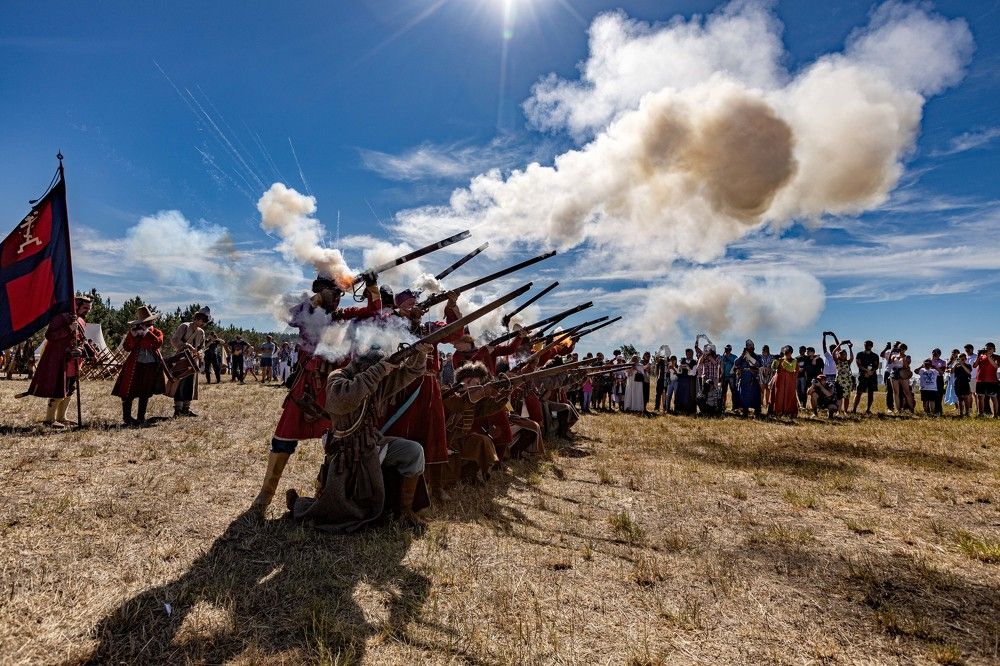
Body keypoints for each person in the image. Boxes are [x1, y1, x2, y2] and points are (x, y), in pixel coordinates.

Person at [251, 272, 382, 515]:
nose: (338, 299)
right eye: (333, 293)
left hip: (335, 388)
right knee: (283, 440)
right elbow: (291, 316)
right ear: (321, 291)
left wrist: (373, 286)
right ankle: (265, 496)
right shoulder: (307, 312)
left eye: (339, 294)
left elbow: (374, 312)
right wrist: (316, 300)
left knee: (337, 444)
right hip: (306, 388)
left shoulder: (343, 317)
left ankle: (327, 493)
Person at [287, 344, 432, 532]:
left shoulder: (376, 380)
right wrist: (379, 370)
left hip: (372, 442)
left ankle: (404, 512)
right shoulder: (338, 377)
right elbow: (342, 401)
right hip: (345, 450)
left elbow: (411, 371)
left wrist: (419, 354)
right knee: (338, 509)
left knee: (414, 452)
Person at [382, 289, 463, 503]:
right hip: (404, 383)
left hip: (429, 384)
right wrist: (402, 315)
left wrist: (451, 306)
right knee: (403, 431)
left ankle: (436, 487)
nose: (414, 308)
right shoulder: (393, 324)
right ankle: (399, 486)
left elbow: (455, 334)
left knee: (435, 432)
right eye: (408, 305)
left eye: (414, 304)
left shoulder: (429, 327)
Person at [22, 294, 92, 427]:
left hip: (74, 361)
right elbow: (50, 335)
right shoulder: (60, 317)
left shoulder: (81, 321)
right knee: (59, 389)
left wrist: (81, 349)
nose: (87, 310)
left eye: (89, 308)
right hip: (60, 361)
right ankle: (49, 419)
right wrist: (68, 328)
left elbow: (81, 340)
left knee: (70, 389)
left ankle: (61, 417)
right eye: (85, 307)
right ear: (75, 305)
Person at [111, 306, 166, 426]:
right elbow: (127, 347)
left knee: (145, 392)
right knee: (128, 391)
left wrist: (146, 334)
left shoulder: (156, 332)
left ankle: (141, 417)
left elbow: (157, 343)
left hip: (150, 366)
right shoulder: (134, 332)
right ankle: (127, 418)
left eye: (149, 322)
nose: (147, 324)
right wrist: (133, 335)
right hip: (135, 365)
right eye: (145, 322)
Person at [168, 307, 210, 417]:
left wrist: (200, 354)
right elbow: (175, 340)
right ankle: (178, 410)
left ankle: (186, 409)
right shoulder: (185, 326)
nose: (202, 322)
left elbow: (202, 347)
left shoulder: (201, 332)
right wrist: (187, 346)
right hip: (182, 359)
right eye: (201, 319)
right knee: (180, 384)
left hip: (194, 361)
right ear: (197, 317)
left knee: (190, 385)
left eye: (204, 320)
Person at [734, 340, 762, 418]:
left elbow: (758, 364)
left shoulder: (757, 356)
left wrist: (750, 358)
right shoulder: (743, 356)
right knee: (744, 396)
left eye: (751, 347)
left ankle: (757, 412)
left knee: (755, 396)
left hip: (753, 379)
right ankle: (745, 412)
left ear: (753, 348)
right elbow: (736, 363)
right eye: (748, 347)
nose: (749, 348)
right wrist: (742, 355)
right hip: (744, 379)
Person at [769, 345, 798, 419]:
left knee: (789, 395)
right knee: (778, 396)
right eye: (786, 353)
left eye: (788, 353)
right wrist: (776, 361)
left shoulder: (794, 360)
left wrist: (783, 362)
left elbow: (791, 369)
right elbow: (773, 367)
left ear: (791, 353)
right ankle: (777, 412)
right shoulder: (779, 359)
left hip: (789, 382)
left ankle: (789, 412)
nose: (787, 354)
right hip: (779, 381)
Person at [852, 340, 880, 415]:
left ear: (872, 346)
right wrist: (866, 371)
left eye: (869, 345)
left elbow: (876, 366)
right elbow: (859, 365)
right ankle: (854, 409)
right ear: (864, 345)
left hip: (872, 376)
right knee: (859, 392)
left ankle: (868, 410)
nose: (867, 346)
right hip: (862, 375)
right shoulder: (860, 354)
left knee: (871, 393)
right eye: (866, 345)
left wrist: (871, 372)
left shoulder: (875, 356)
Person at [973, 343, 999, 418]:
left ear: (994, 349)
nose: (988, 349)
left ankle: (995, 415)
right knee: (980, 397)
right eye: (986, 348)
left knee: (993, 397)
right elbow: (974, 366)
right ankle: (980, 414)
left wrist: (988, 356)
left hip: (992, 380)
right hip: (980, 379)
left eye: (990, 348)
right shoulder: (981, 356)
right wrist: (978, 356)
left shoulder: (997, 357)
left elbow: (996, 366)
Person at [833, 340, 855, 414]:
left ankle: (845, 411)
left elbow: (852, 358)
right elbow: (833, 353)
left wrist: (850, 348)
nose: (843, 355)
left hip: (847, 382)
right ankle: (838, 411)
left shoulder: (847, 362)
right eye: (842, 354)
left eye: (845, 354)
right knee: (839, 397)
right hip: (839, 381)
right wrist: (839, 344)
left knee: (847, 397)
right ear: (839, 355)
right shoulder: (837, 361)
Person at [953, 353, 973, 417]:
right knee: (959, 399)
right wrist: (955, 364)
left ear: (965, 359)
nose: (961, 360)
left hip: (965, 383)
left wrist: (962, 364)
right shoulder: (956, 366)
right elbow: (951, 371)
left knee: (966, 398)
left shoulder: (968, 365)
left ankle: (967, 413)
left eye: (963, 359)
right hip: (957, 383)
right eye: (960, 359)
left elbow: (969, 372)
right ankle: (961, 413)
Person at [930, 349, 947, 415]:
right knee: (931, 396)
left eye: (936, 353)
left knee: (939, 396)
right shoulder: (929, 360)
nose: (934, 354)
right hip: (931, 378)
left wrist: (935, 367)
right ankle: (931, 411)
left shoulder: (942, 362)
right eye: (933, 353)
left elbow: (942, 372)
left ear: (939, 354)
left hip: (939, 379)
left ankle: (938, 411)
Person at [721, 344, 737, 411]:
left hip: (732, 376)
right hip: (724, 376)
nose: (726, 350)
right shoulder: (723, 357)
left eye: (727, 349)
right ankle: (723, 406)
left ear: (730, 350)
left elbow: (736, 365)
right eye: (726, 349)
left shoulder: (734, 357)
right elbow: (721, 365)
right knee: (723, 392)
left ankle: (734, 407)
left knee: (733, 392)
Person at [759, 345, 775, 409]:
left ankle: (767, 404)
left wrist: (769, 368)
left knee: (768, 390)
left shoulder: (772, 357)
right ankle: (761, 404)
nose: (763, 351)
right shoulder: (760, 357)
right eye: (763, 349)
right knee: (762, 390)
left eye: (765, 349)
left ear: (767, 350)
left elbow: (773, 366)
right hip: (761, 374)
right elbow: (758, 364)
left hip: (769, 374)